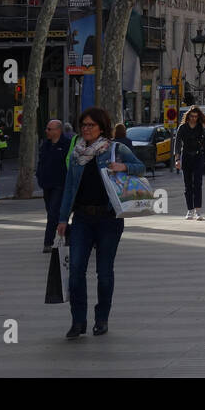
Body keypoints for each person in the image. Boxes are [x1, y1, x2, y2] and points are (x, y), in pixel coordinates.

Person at [56, 106, 145, 339]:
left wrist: (123, 166)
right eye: (83, 125)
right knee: (75, 272)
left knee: (104, 273)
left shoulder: (115, 149)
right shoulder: (76, 155)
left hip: (108, 219)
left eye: (90, 125)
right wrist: (63, 219)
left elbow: (141, 167)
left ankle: (102, 318)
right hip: (82, 218)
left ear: (101, 127)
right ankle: (78, 321)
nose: (85, 129)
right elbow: (68, 189)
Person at [35, 119, 70, 252]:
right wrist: (40, 176)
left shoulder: (66, 144)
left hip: (60, 185)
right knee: (52, 212)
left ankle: (48, 242)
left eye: (50, 129)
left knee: (53, 213)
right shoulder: (45, 145)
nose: (47, 131)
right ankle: (69, 232)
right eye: (47, 128)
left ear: (58, 130)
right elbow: (41, 162)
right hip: (47, 184)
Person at [175, 106, 205, 220]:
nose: (194, 118)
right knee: (188, 185)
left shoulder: (200, 127)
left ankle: (198, 211)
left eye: (196, 116)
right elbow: (177, 144)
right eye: (192, 116)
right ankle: (190, 210)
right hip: (186, 156)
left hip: (198, 156)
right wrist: (177, 159)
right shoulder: (182, 128)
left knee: (198, 184)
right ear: (188, 116)